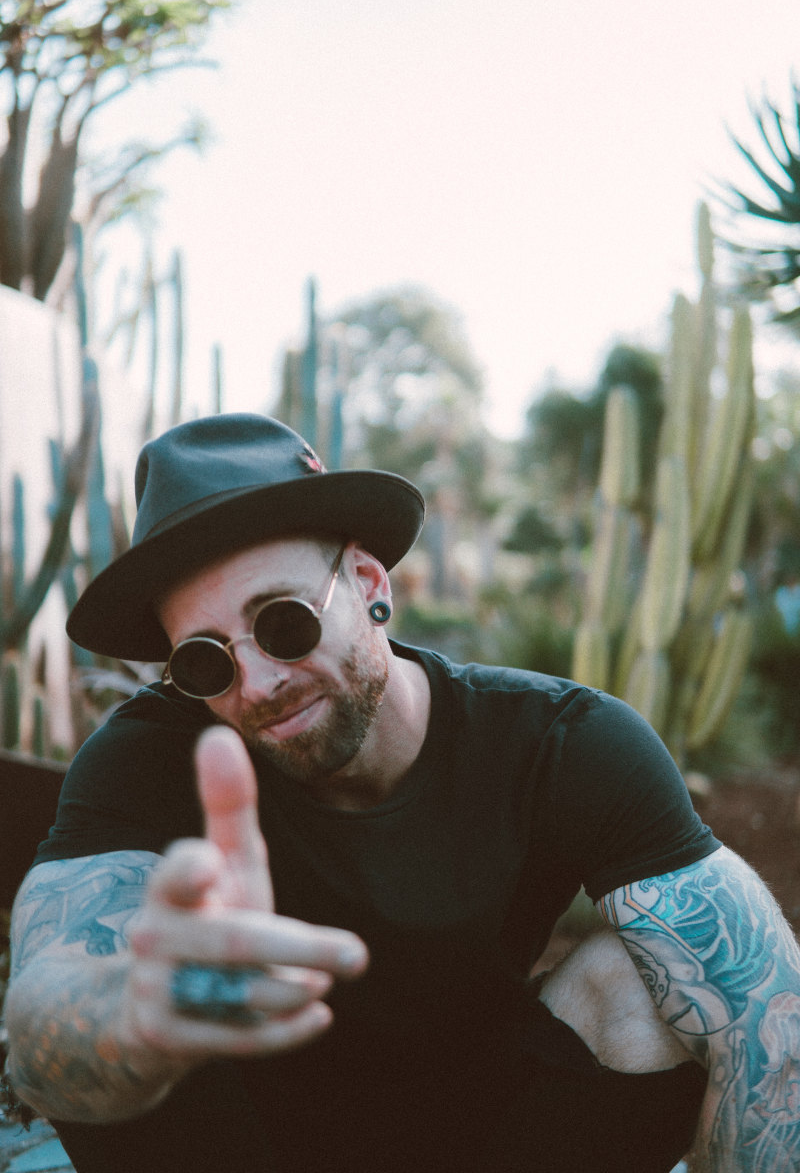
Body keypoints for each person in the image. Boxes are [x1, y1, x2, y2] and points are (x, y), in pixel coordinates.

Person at [3, 413, 799, 1173]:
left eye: (282, 621)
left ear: (368, 581)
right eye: (206, 662)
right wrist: (133, 1018)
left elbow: (770, 1021)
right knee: (110, 1042)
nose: (260, 682)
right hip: (246, 1151)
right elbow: (43, 1026)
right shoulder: (147, 758)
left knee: (655, 982)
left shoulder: (559, 744)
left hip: (480, 1142)